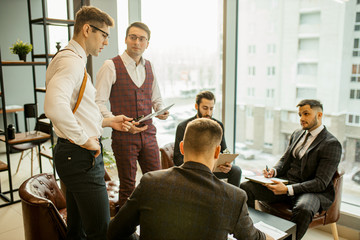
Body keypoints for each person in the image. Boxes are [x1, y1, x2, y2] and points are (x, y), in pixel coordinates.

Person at [44, 6, 133, 239]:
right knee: (100, 231)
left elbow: (78, 111)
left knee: (78, 229)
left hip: (71, 154)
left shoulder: (70, 59)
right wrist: (86, 140)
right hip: (80, 155)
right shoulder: (72, 62)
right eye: (103, 34)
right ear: (86, 29)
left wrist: (108, 121)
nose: (105, 41)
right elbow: (54, 106)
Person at [107, 118, 273, 240]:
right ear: (217, 152)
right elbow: (254, 238)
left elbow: (115, 231)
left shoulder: (150, 181)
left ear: (182, 147)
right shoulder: (234, 197)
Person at [240, 99, 342, 240]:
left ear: (319, 115)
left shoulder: (331, 144)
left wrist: (288, 189)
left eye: (306, 114)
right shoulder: (297, 134)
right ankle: (252, 234)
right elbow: (285, 159)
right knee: (245, 188)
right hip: (287, 183)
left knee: (303, 209)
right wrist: (274, 171)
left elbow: (320, 183)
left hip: (312, 191)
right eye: (300, 115)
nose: (301, 119)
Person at [95, 21, 168, 207]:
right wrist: (112, 120)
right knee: (128, 186)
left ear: (147, 43)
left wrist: (161, 110)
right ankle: (125, 233)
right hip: (124, 137)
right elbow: (98, 102)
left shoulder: (149, 66)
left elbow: (156, 98)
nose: (137, 42)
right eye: (133, 37)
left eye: (141, 39)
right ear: (126, 39)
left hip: (149, 134)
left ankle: (154, 226)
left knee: (157, 181)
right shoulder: (110, 66)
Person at [174, 91, 242, 187]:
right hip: (192, 168)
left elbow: (224, 150)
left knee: (236, 171)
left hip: (212, 167)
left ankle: (232, 200)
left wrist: (227, 164)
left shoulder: (218, 126)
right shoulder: (183, 127)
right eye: (205, 108)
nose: (208, 113)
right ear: (196, 106)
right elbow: (177, 159)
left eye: (211, 108)